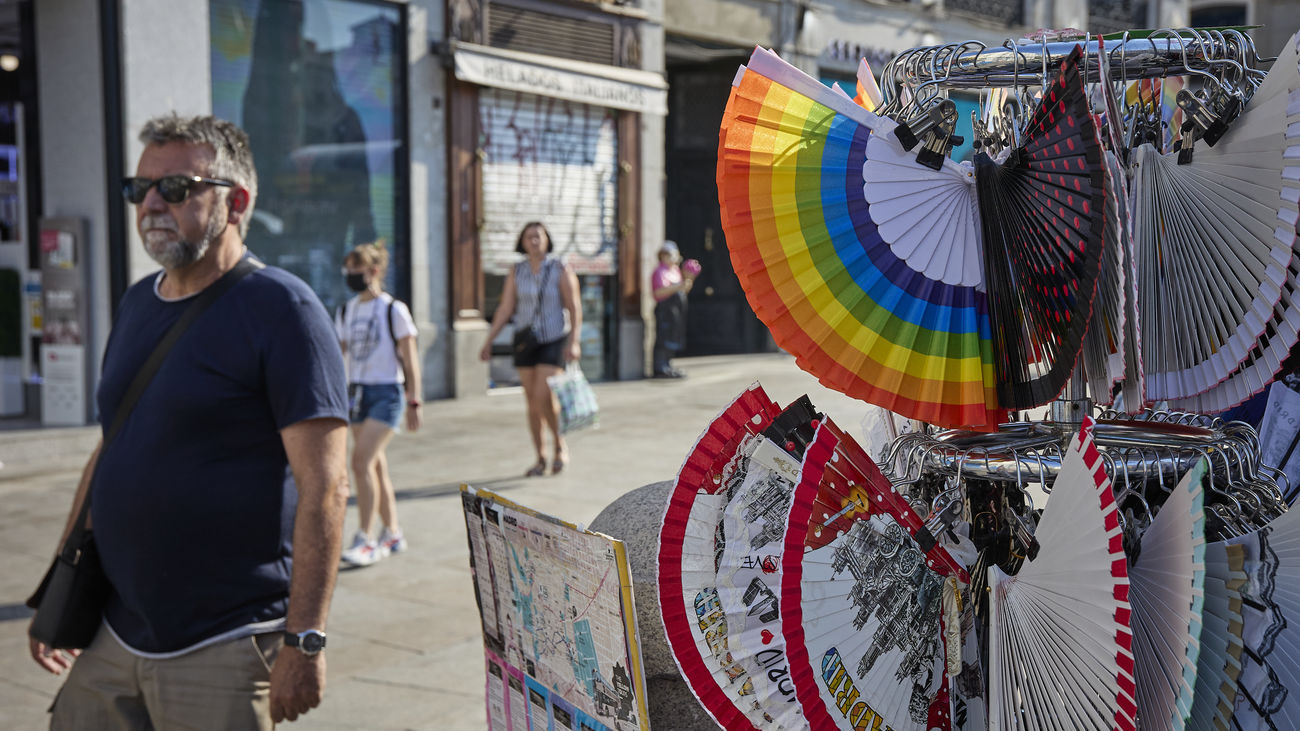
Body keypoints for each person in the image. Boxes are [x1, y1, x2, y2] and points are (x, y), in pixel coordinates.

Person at [28, 114, 350, 729]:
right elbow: (109, 451)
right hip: (114, 630)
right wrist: (59, 588)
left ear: (237, 202)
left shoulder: (283, 309)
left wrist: (305, 640)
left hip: (224, 642)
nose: (151, 203)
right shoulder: (135, 302)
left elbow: (327, 487)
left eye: (175, 188)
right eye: (139, 188)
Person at [336, 242, 421, 567]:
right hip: (357, 393)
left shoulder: (393, 309)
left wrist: (415, 399)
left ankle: (366, 538)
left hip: (387, 393)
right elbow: (339, 354)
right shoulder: (347, 310)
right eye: (348, 270)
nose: (350, 276)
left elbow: (410, 358)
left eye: (356, 270)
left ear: (373, 271)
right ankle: (393, 532)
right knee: (375, 465)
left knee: (360, 462)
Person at [478, 221, 582, 476]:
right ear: (522, 242)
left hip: (554, 338)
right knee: (532, 403)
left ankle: (559, 444)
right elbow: (506, 307)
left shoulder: (560, 267)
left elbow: (574, 306)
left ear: (547, 239)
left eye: (538, 236)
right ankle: (540, 457)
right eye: (529, 237)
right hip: (525, 340)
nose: (534, 241)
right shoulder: (517, 270)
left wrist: (575, 341)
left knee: (542, 393)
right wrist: (489, 339)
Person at [651, 240, 694, 378]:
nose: (673, 259)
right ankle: (659, 366)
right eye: (669, 255)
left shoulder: (675, 271)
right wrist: (678, 286)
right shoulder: (659, 272)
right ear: (662, 256)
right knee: (663, 337)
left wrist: (689, 278)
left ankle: (667, 364)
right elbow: (659, 292)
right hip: (665, 310)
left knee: (673, 337)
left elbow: (683, 290)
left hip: (676, 311)